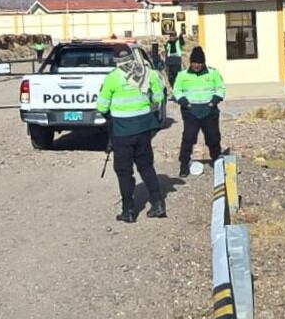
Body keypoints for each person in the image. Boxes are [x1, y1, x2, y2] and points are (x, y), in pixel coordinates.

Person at [96, 46, 167, 222]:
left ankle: (128, 210)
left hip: (122, 130)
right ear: (131, 56)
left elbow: (102, 107)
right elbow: (159, 97)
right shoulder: (147, 73)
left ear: (115, 60)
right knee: (146, 166)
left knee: (124, 171)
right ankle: (158, 204)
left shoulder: (112, 78)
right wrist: (147, 108)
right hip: (144, 128)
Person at [173, 46, 226, 176]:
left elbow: (220, 88)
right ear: (191, 62)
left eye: (200, 63)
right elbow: (176, 90)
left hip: (209, 110)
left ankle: (217, 163)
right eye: (195, 63)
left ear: (204, 62)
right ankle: (184, 164)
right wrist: (185, 103)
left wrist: (213, 101)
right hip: (191, 111)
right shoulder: (182, 75)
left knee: (213, 138)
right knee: (188, 138)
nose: (197, 65)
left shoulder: (213, 73)